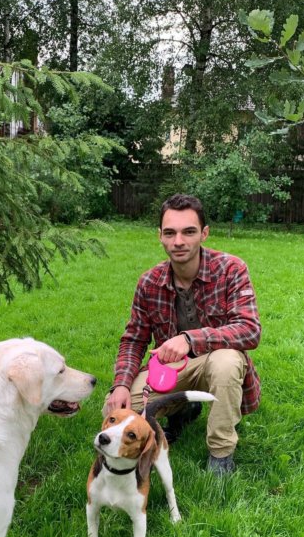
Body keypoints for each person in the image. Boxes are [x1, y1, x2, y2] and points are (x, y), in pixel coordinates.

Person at [104, 193, 261, 475]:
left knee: (226, 361)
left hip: (217, 362)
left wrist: (190, 339)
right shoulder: (149, 281)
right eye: (170, 233)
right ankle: (184, 410)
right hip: (171, 370)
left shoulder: (231, 269)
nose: (178, 241)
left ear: (204, 233)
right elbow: (134, 339)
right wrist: (121, 385)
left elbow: (249, 330)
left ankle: (221, 455)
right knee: (115, 413)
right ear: (160, 236)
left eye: (188, 232)